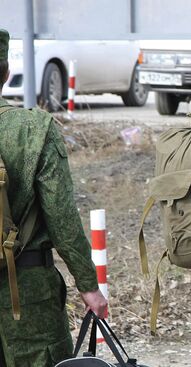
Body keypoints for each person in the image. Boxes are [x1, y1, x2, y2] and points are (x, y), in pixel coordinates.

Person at [0, 29, 108, 367]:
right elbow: (62, 219)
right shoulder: (33, 129)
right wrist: (88, 285)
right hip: (28, 296)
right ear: (5, 72)